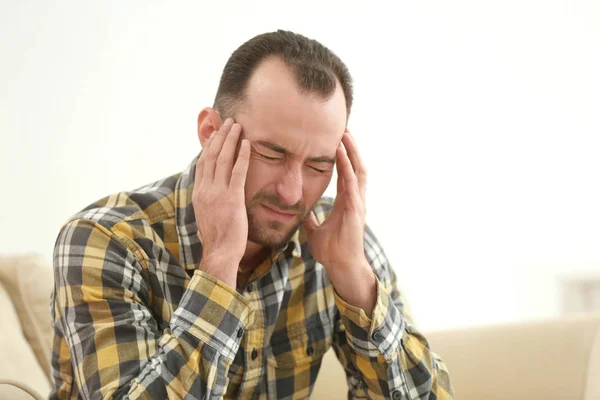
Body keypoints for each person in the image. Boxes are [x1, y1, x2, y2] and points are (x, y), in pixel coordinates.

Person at [50, 30, 453, 399]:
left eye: (318, 165)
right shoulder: (103, 240)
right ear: (211, 133)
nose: (292, 192)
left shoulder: (339, 240)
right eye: (271, 154)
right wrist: (220, 265)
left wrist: (353, 274)